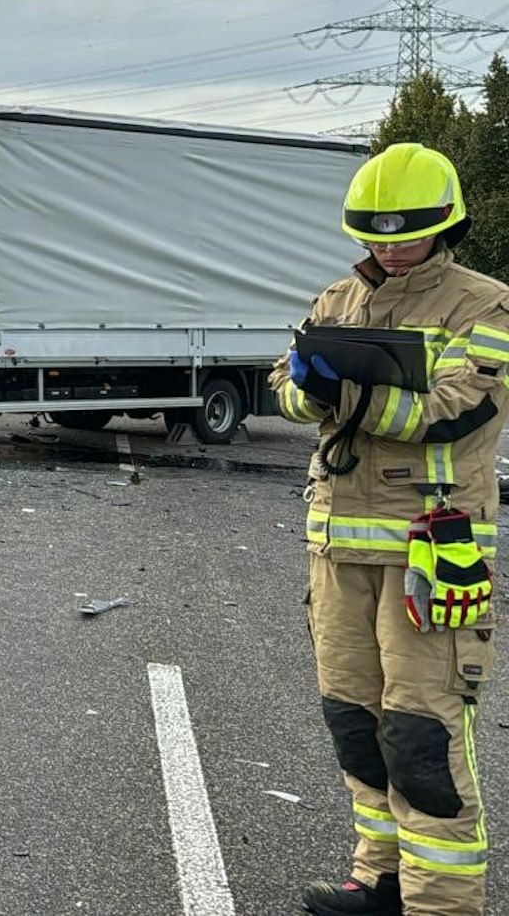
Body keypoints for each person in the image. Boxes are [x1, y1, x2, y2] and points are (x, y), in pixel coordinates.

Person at [271, 143, 509, 916]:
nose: (391, 248)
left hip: (430, 554)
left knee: (422, 737)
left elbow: (458, 410)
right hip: (337, 547)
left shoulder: (485, 305)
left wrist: (354, 395)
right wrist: (306, 389)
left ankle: (441, 904)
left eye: (407, 234)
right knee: (356, 724)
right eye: (376, 234)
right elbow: (284, 390)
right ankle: (380, 878)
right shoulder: (337, 299)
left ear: (446, 226)